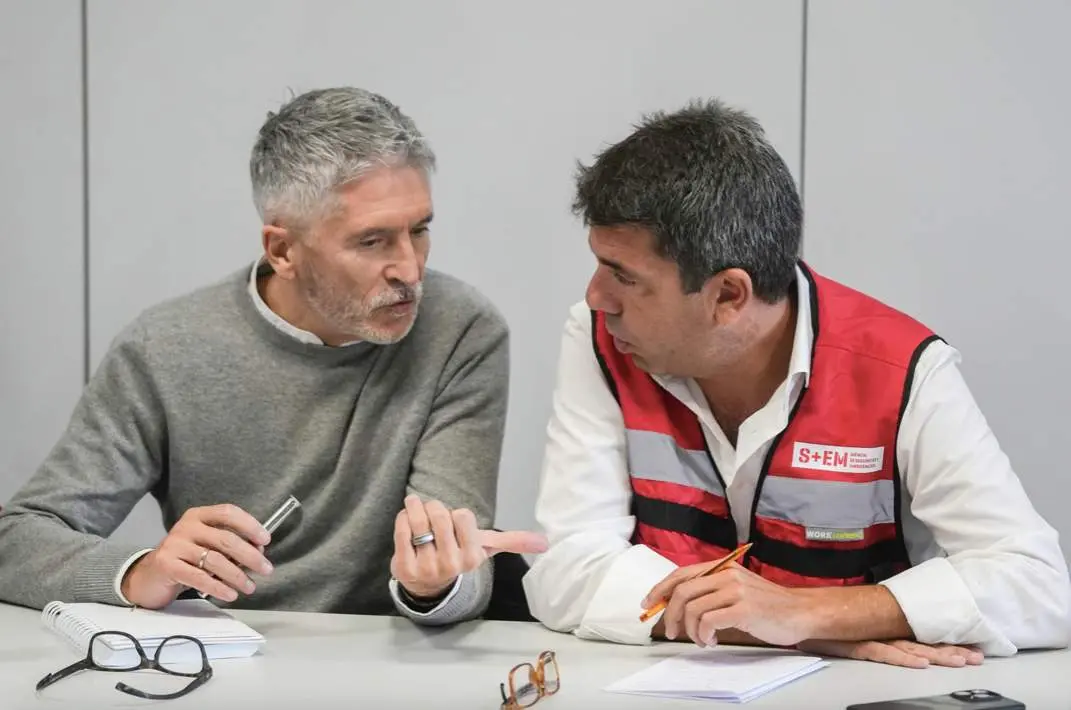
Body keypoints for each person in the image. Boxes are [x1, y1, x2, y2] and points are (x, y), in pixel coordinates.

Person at [522, 98, 1071, 667]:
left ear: (728, 295)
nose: (596, 297)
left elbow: (1038, 587)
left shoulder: (899, 368)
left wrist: (806, 612)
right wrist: (787, 631)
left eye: (624, 277)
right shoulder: (601, 339)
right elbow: (563, 568)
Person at [0, 86, 545, 625]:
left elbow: (463, 566)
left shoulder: (460, 329)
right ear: (282, 250)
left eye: (420, 230)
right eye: (372, 241)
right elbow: (17, 541)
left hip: (392, 652)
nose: (410, 269)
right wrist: (139, 572)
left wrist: (437, 586)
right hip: (226, 653)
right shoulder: (162, 349)